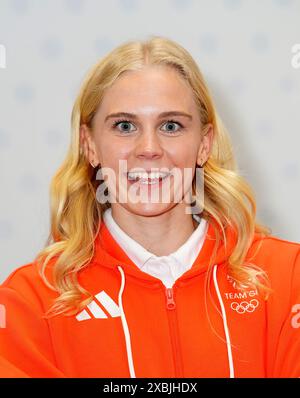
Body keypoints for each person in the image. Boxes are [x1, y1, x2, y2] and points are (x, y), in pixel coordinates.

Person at [0, 35, 299, 378]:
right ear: (90, 146)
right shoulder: (29, 302)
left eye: (171, 126)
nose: (148, 148)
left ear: (204, 145)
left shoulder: (288, 278)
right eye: (125, 126)